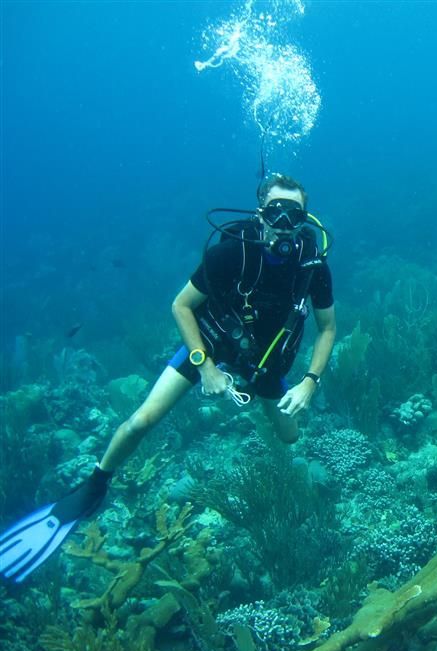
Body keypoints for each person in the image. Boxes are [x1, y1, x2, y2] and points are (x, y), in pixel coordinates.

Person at [0, 174, 337, 583]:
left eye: (294, 214)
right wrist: (205, 365)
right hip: (211, 341)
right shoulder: (231, 253)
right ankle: (93, 485)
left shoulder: (312, 265)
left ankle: (256, 406)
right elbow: (181, 305)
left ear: (304, 218)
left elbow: (327, 329)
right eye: (275, 211)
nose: (283, 222)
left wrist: (309, 381)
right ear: (259, 212)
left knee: (289, 437)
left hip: (265, 362)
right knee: (142, 420)